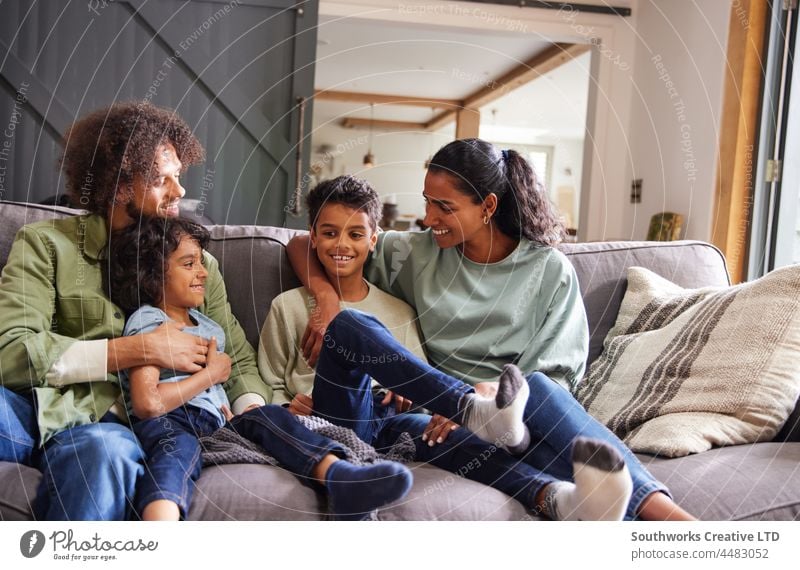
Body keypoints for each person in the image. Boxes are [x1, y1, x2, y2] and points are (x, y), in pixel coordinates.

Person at [287, 139, 696, 521]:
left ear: (487, 207)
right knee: (395, 385)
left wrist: (488, 389)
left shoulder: (548, 271)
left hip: (519, 420)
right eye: (428, 202)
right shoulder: (416, 252)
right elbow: (301, 244)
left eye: (444, 207)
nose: (429, 219)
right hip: (442, 421)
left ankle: (668, 518)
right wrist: (327, 300)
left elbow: (557, 380)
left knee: (539, 388)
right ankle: (577, 501)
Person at [0, 101, 270, 520]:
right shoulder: (45, 245)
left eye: (178, 177)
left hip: (116, 426)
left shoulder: (199, 264)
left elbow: (236, 354)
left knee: (101, 450)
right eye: (162, 179)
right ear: (119, 184)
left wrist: (251, 412)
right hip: (39, 410)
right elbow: (12, 352)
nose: (179, 192)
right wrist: (137, 349)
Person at [107, 216, 412, 521]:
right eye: (189, 265)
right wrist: (210, 376)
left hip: (215, 423)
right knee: (173, 457)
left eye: (201, 263)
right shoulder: (150, 322)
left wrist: (222, 406)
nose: (203, 273)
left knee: (267, 416)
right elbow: (148, 404)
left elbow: (214, 395)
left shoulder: (209, 326)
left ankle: (338, 475)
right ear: (151, 275)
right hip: (170, 422)